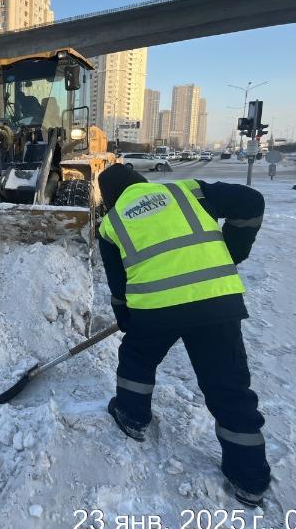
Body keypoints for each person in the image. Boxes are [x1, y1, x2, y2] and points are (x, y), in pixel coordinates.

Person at [96, 164, 271, 507]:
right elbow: (252, 201)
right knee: (228, 385)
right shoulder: (188, 191)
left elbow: (118, 287)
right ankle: (249, 478)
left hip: (157, 308)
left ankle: (132, 416)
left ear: (109, 198)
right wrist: (233, 251)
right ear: (142, 182)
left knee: (137, 360)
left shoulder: (112, 223)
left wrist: (126, 318)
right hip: (216, 303)